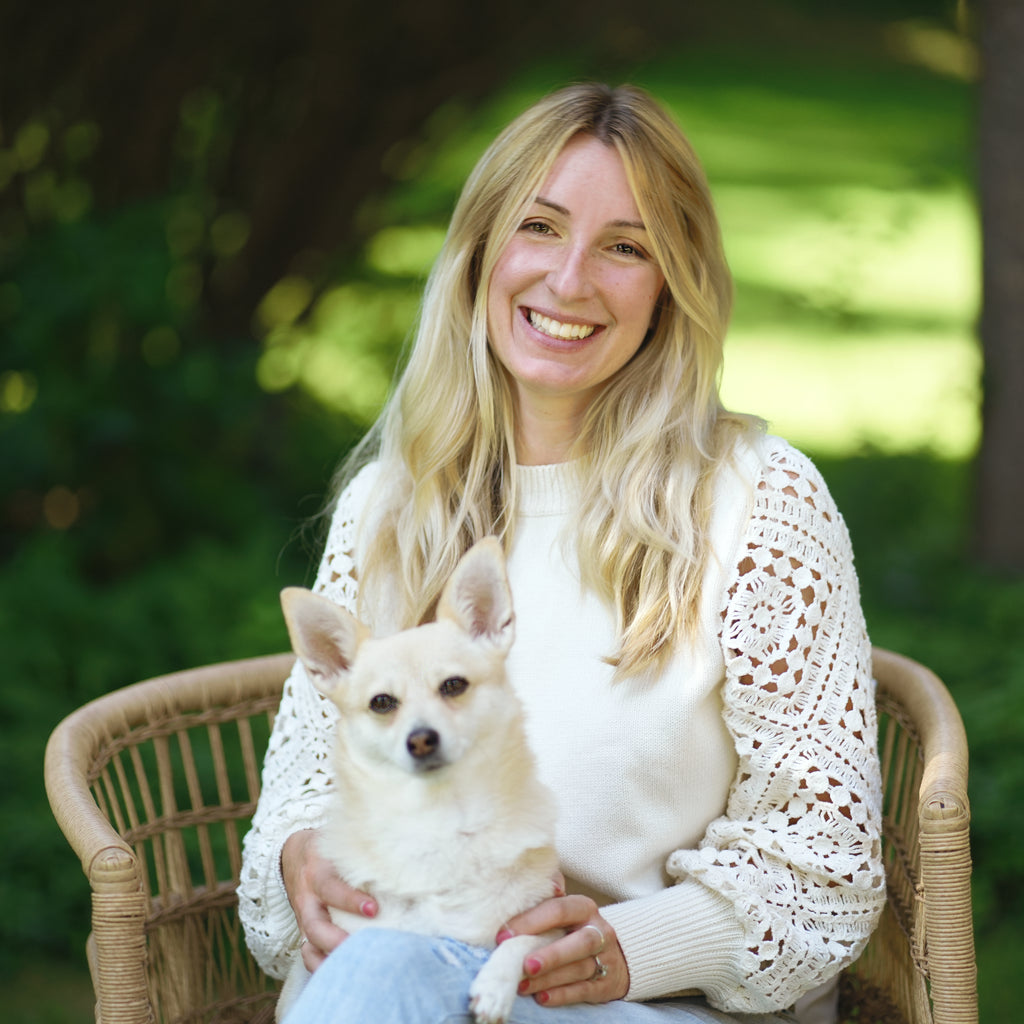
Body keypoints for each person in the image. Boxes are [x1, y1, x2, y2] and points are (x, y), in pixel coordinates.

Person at [238, 82, 886, 1024]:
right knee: (386, 976)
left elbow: (824, 869)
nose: (570, 280)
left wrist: (629, 948)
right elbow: (297, 804)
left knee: (387, 981)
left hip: (635, 1008)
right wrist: (302, 863)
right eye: (539, 228)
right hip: (388, 987)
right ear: (478, 253)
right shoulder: (390, 505)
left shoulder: (757, 501)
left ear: (671, 284)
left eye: (625, 247)